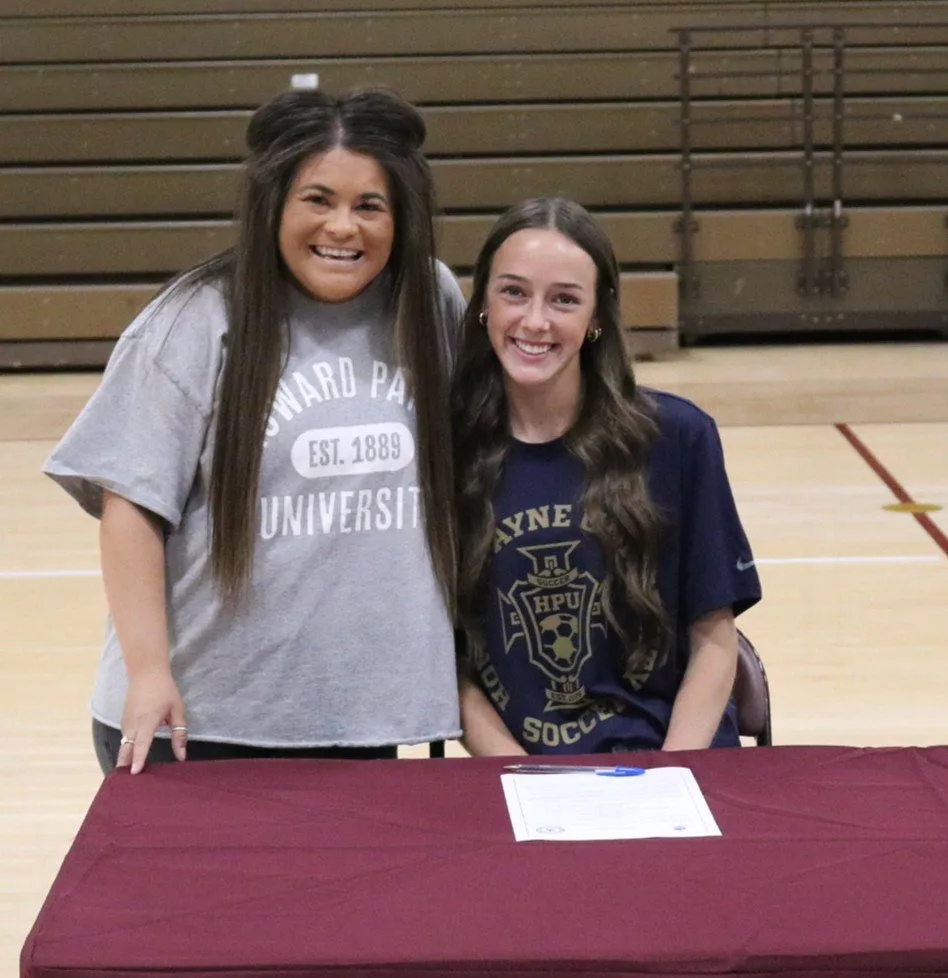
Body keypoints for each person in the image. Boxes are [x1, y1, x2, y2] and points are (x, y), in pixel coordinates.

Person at [44, 87, 465, 774]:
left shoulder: (427, 301)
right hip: (197, 719)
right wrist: (148, 672)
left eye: (370, 206)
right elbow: (131, 506)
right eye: (318, 200)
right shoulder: (195, 318)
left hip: (357, 719)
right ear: (273, 205)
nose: (343, 227)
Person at [452, 197, 761, 756]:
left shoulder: (678, 437)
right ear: (483, 305)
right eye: (513, 292)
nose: (535, 321)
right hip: (521, 778)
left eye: (565, 299)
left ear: (596, 318)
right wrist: (524, 777)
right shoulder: (446, 452)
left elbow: (714, 641)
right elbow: (451, 669)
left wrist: (669, 776)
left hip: (675, 763)